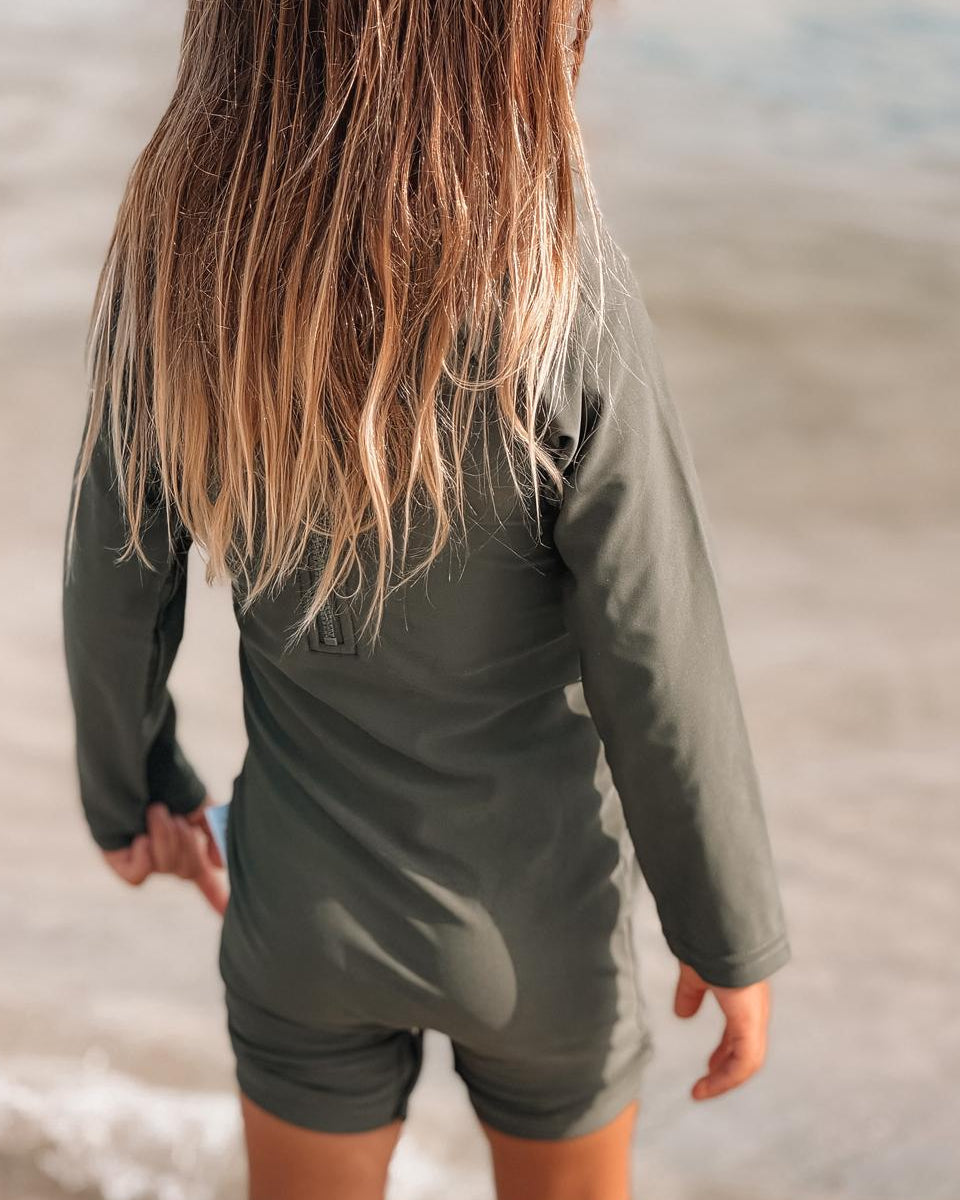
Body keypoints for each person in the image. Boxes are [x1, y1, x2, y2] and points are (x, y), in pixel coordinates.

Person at [60, 3, 792, 1198]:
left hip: (304, 909)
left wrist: (132, 790)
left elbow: (112, 581)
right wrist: (726, 926)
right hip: (541, 926)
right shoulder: (560, 280)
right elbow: (656, 649)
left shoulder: (184, 265)